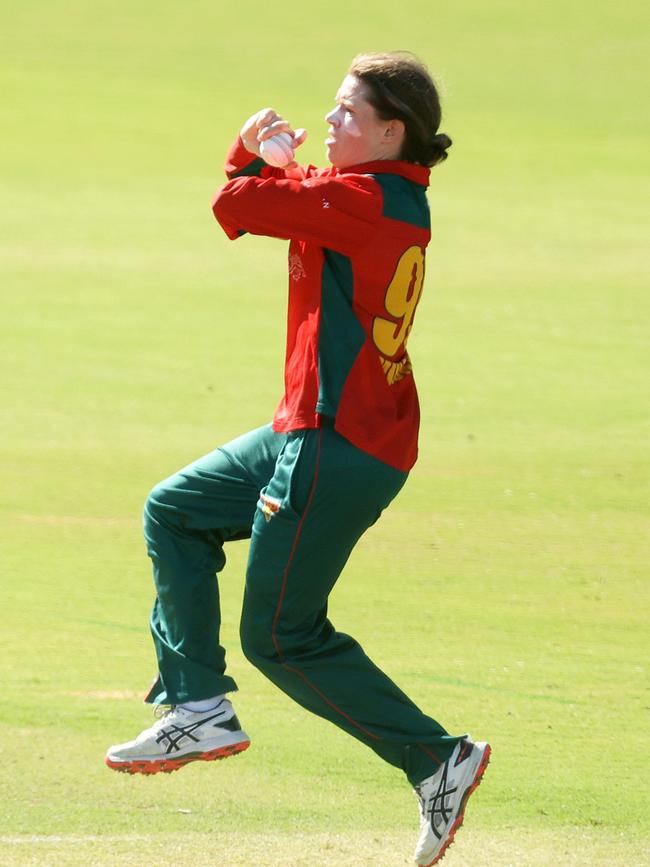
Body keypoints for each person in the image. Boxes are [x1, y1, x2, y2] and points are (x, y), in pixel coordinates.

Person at [105, 51, 490, 866]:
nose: (329, 120)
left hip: (336, 444)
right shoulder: (375, 193)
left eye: (349, 112)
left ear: (393, 131)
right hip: (311, 429)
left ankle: (436, 758)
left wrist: (247, 155)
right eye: (334, 106)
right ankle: (198, 701)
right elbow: (265, 201)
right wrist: (261, 162)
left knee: (282, 636)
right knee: (174, 509)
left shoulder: (362, 200)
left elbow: (235, 203)